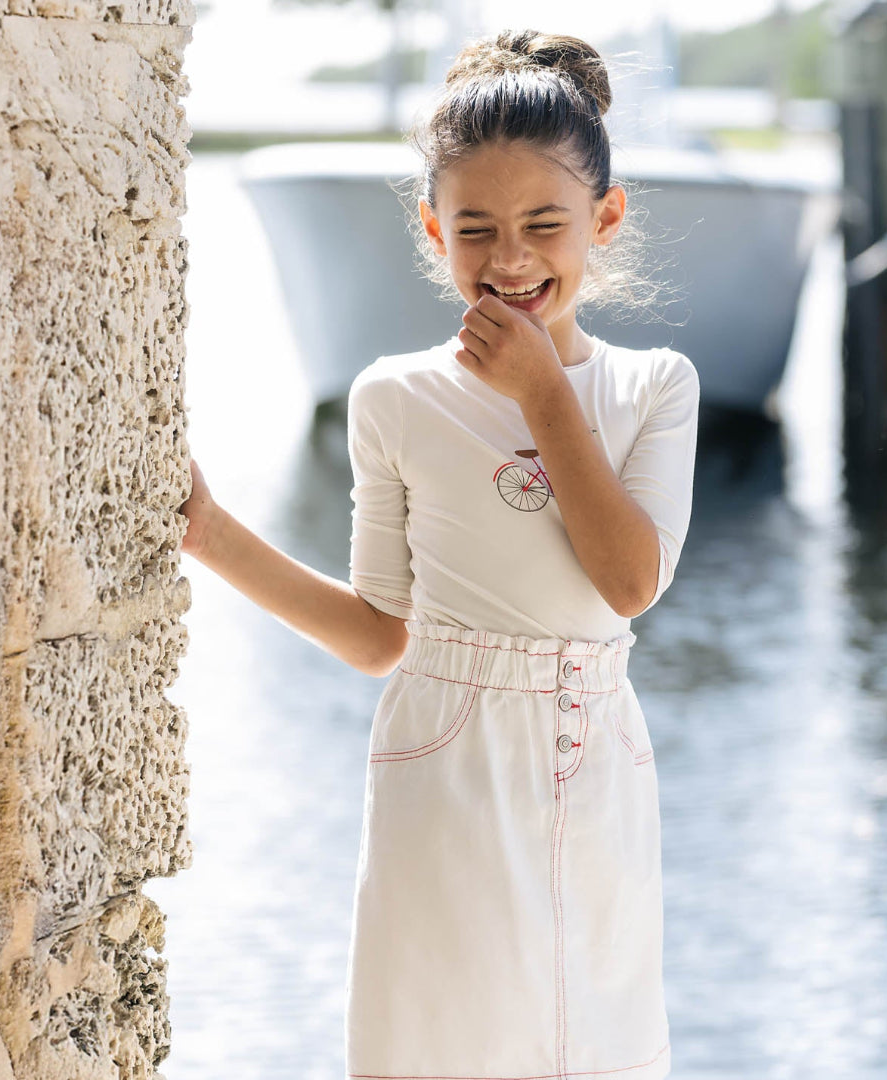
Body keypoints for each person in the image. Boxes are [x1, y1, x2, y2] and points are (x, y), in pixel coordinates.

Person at [178, 27, 700, 1080]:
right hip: (444, 747)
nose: (510, 260)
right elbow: (379, 636)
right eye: (476, 231)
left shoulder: (654, 387)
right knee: (436, 1037)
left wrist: (544, 391)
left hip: (592, 745)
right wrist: (208, 531)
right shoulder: (393, 397)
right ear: (433, 232)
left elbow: (629, 583)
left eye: (544, 225)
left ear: (604, 220)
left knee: (589, 1039)